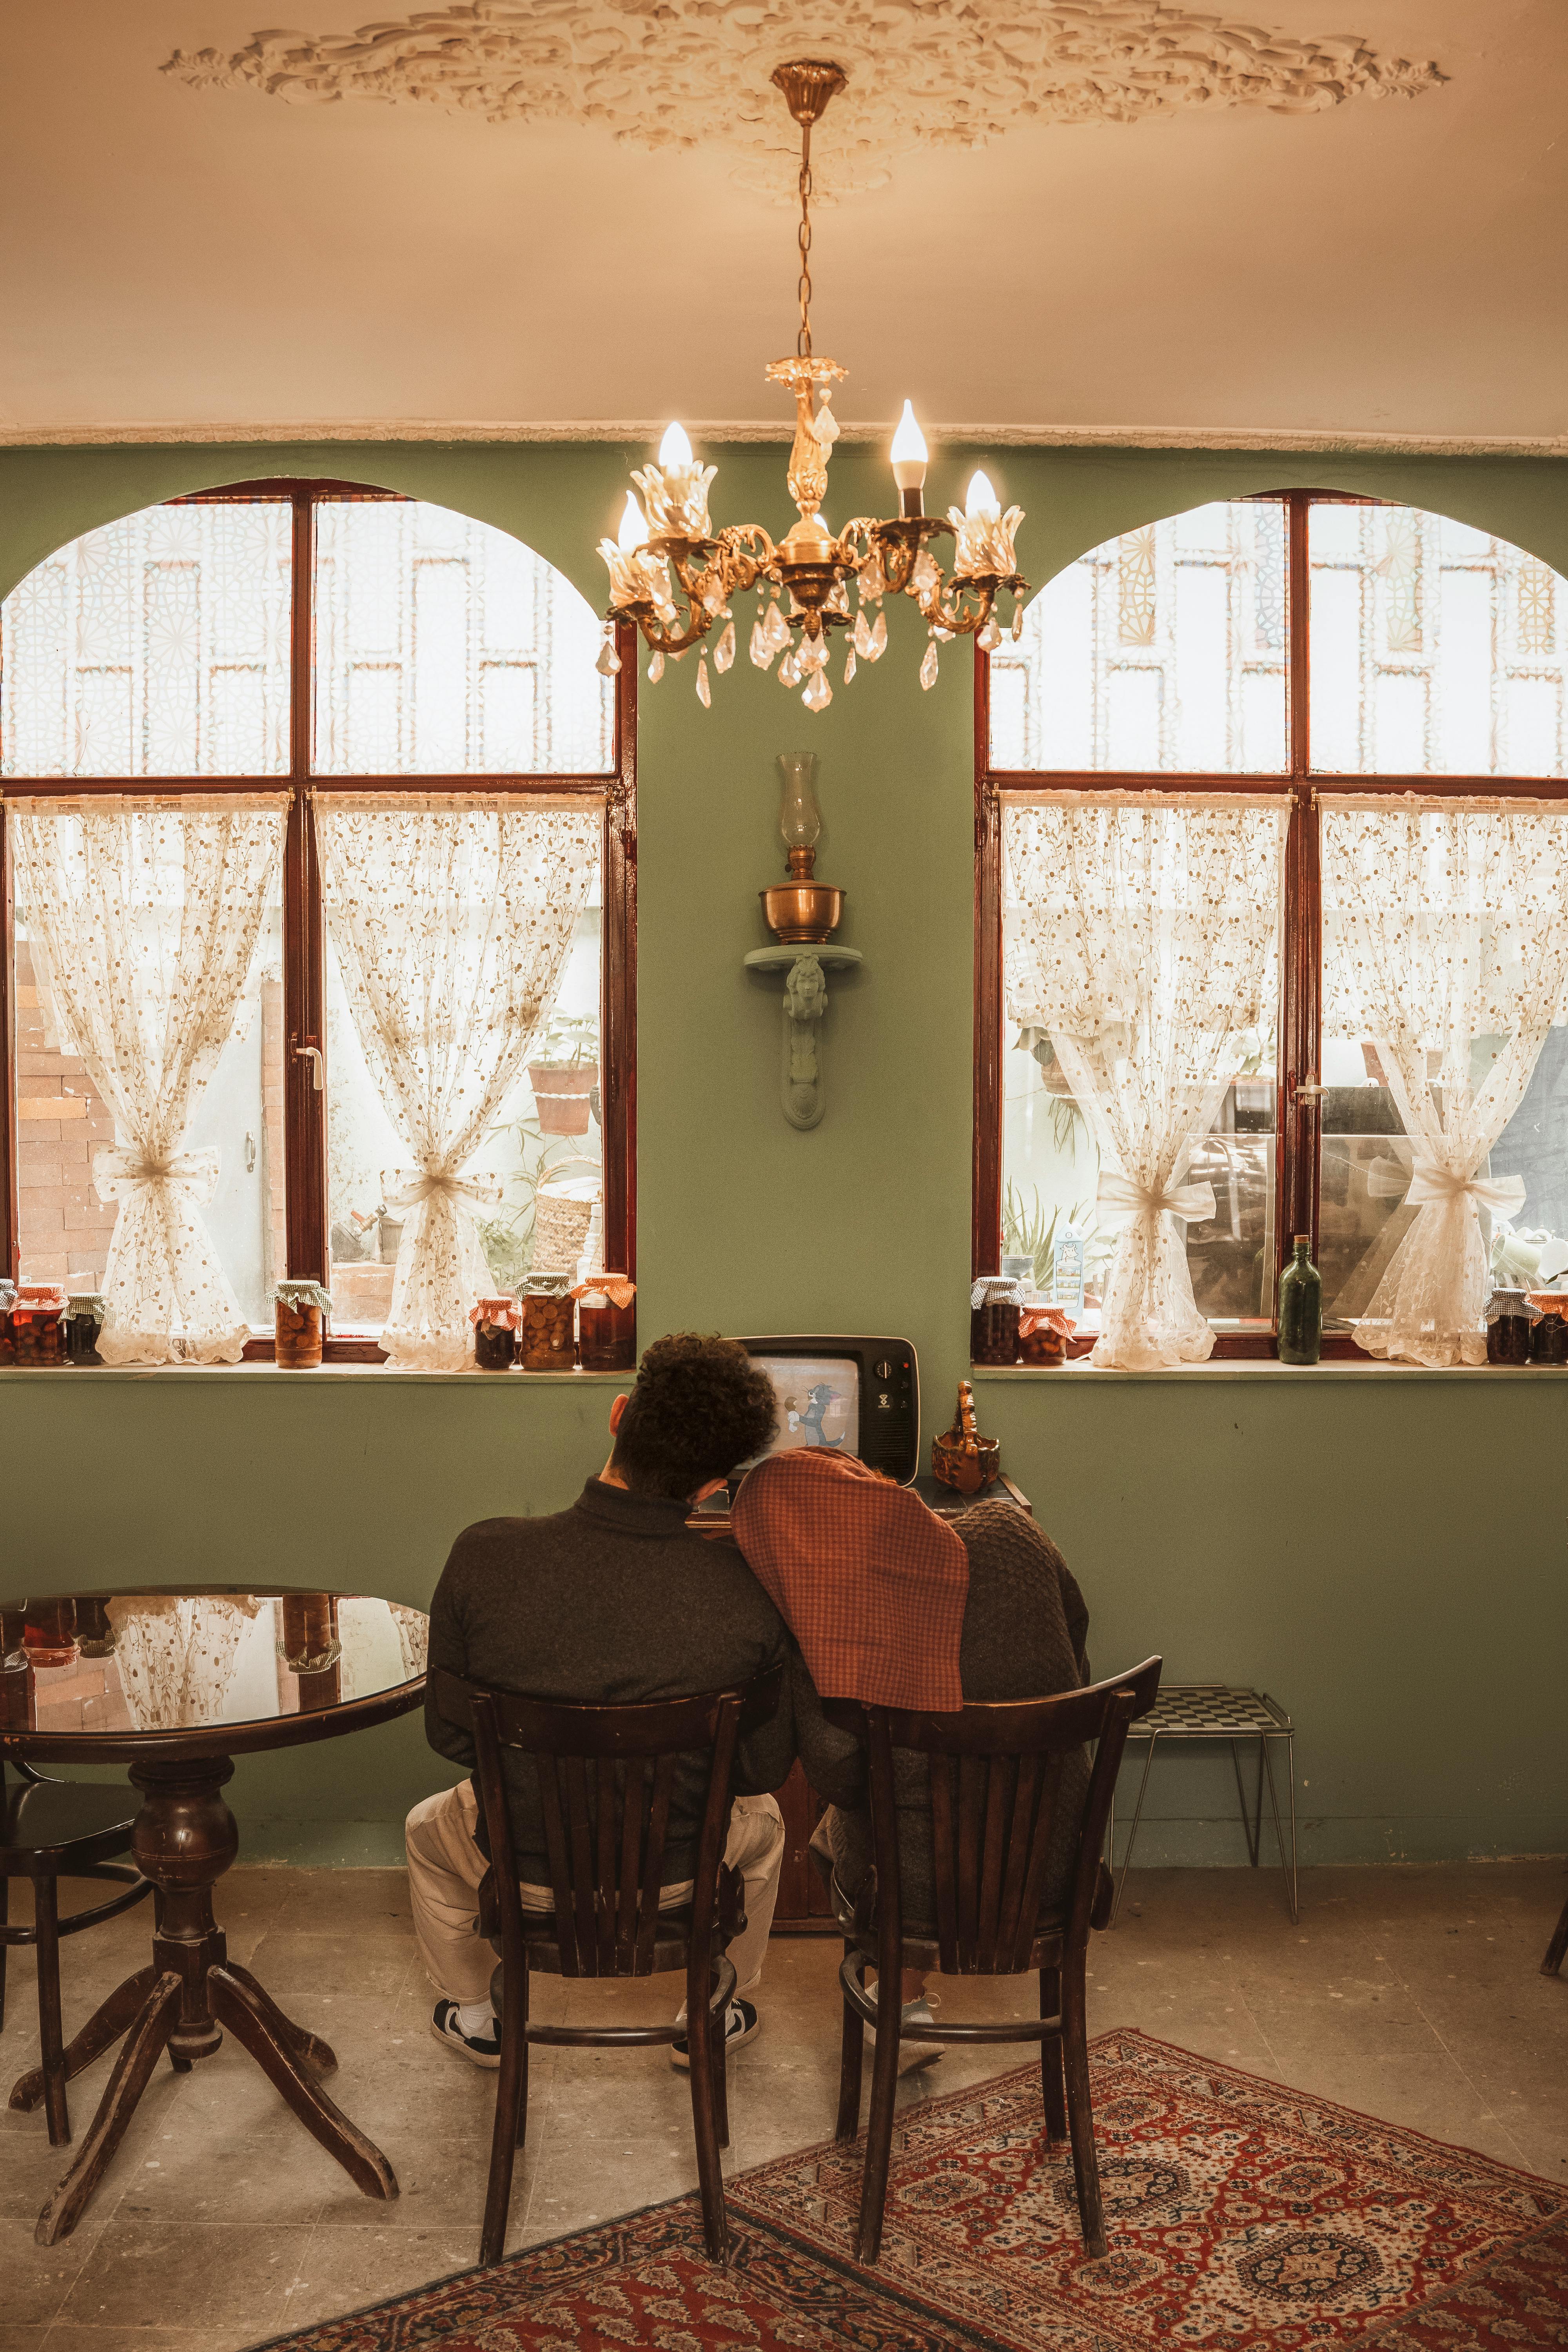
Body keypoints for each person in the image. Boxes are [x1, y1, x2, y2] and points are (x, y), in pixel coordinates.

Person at [407, 1332, 791, 2070]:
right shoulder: (748, 1590)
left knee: (428, 1827)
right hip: (679, 1878)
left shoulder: (482, 1554)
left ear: (619, 1416)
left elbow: (452, 1740)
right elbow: (761, 1768)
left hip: (523, 1875)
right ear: (713, 1485)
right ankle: (710, 2008)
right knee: (768, 1823)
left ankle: (479, 2015)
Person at [732, 1449, 1090, 2070]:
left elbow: (839, 1777)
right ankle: (903, 2006)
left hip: (915, 1897)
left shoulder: (817, 1625)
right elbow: (1078, 1662)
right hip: (1058, 1870)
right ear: (875, 1490)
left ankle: (899, 2007)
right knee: (927, 1801)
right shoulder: (1012, 1530)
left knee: (861, 1817)